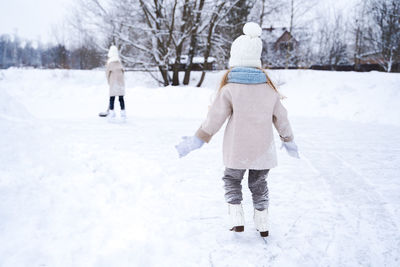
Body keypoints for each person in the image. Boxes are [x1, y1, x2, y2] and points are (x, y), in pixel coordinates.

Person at [175, 22, 299, 237]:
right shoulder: (269, 90)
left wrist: (198, 139)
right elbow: (282, 118)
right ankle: (262, 223)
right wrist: (288, 140)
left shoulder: (230, 89)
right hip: (263, 150)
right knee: (259, 184)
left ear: (235, 61)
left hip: (237, 150)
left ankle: (236, 217)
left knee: (232, 180)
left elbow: (214, 119)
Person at [105, 45, 126, 119]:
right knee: (121, 98)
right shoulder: (119, 62)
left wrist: (109, 82)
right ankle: (123, 112)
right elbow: (123, 72)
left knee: (112, 98)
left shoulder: (109, 63)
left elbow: (107, 73)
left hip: (113, 82)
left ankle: (111, 112)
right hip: (120, 83)